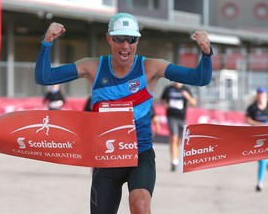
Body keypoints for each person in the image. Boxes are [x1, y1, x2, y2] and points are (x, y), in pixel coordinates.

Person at [35, 13, 212, 214]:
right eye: (119, 38)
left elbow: (200, 78)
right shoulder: (93, 67)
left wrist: (206, 52)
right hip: (107, 157)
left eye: (132, 39)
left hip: (141, 154)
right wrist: (47, 42)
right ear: (109, 38)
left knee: (140, 204)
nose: (126, 45)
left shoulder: (150, 67)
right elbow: (45, 77)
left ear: (138, 41)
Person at [161, 82, 197, 171]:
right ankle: (174, 161)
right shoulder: (168, 89)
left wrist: (187, 96)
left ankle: (176, 157)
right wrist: (165, 105)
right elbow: (162, 100)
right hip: (171, 116)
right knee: (174, 137)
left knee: (179, 141)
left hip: (182, 118)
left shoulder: (186, 89)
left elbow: (193, 103)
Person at [245, 87, 268, 192]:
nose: (261, 96)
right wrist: (259, 124)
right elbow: (247, 120)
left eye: (263, 94)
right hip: (258, 137)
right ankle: (260, 182)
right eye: (259, 94)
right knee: (262, 160)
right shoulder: (252, 107)